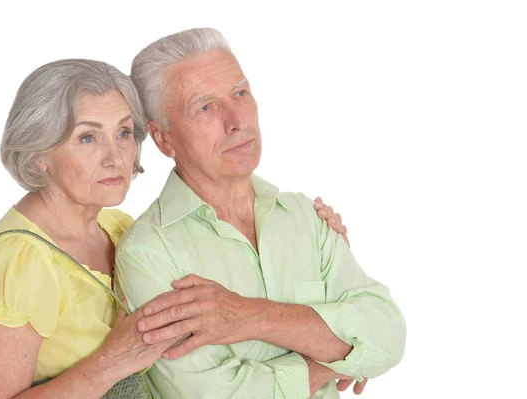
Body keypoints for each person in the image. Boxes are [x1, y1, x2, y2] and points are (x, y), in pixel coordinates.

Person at [0, 58, 349, 399]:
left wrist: (315, 250)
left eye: (124, 132)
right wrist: (112, 360)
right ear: (39, 153)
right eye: (88, 137)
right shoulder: (20, 261)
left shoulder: (120, 229)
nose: (115, 157)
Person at [116, 28, 406, 399]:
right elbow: (214, 394)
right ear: (163, 139)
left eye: (240, 93)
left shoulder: (306, 216)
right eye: (205, 106)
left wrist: (249, 316)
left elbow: (388, 335)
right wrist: (333, 358)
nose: (237, 120)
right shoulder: (148, 252)